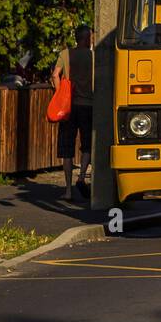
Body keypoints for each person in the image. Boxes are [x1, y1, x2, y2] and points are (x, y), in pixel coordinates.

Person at [51, 25, 94, 200]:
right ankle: (82, 177)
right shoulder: (93, 57)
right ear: (86, 39)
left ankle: (68, 191)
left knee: (67, 149)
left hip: (69, 107)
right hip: (88, 105)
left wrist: (60, 94)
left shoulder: (65, 54)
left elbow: (55, 75)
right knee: (87, 145)